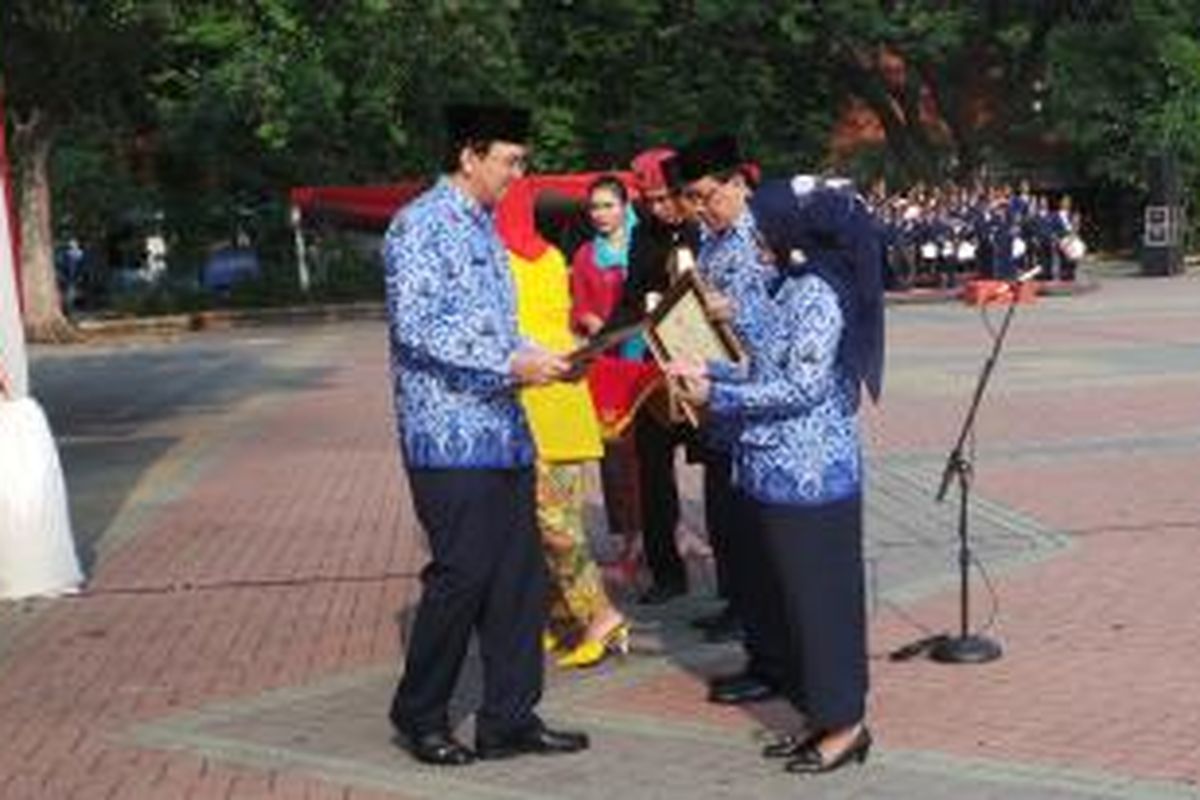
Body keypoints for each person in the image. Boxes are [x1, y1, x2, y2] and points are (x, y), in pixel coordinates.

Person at [382, 103, 588, 766]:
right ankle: (420, 714)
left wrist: (549, 357)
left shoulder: (485, 228)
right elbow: (418, 328)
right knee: (463, 574)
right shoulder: (418, 226)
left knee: (518, 579)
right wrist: (511, 362)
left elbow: (499, 331)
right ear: (470, 157)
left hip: (503, 430)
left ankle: (508, 718)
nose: (518, 174)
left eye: (522, 161)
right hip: (448, 438)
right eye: (510, 160)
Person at [668, 178, 884, 775]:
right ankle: (820, 714)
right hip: (780, 473)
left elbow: (803, 387)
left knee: (823, 606)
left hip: (813, 477)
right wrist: (705, 366)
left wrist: (716, 395)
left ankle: (846, 724)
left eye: (766, 226)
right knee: (798, 607)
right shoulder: (790, 286)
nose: (756, 236)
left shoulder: (817, 293)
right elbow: (756, 362)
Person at [672, 134, 789, 704]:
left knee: (758, 540)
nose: (698, 208)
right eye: (690, 200)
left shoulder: (765, 239)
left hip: (757, 414)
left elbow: (780, 326)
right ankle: (754, 641)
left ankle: (769, 661)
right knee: (731, 530)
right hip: (721, 409)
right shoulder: (712, 240)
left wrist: (732, 313)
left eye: (705, 196)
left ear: (739, 183)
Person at [496, 178, 629, 670]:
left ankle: (599, 616)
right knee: (549, 521)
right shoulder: (550, 254)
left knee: (554, 523)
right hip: (560, 391)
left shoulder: (501, 260)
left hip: (541, 396)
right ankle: (563, 617)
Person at [598, 149, 706, 607]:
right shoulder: (644, 236)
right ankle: (667, 573)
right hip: (656, 374)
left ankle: (737, 585)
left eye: (667, 198)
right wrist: (601, 341)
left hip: (707, 373)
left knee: (723, 480)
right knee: (653, 476)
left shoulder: (707, 232)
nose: (659, 208)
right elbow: (629, 300)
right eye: (650, 199)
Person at [570, 176, 644, 569]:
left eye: (608, 205)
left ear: (625, 205)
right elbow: (577, 305)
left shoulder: (644, 246)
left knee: (651, 450)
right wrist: (587, 317)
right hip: (608, 363)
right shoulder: (585, 256)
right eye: (594, 207)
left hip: (647, 360)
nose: (600, 214)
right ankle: (627, 536)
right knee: (615, 450)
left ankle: (661, 530)